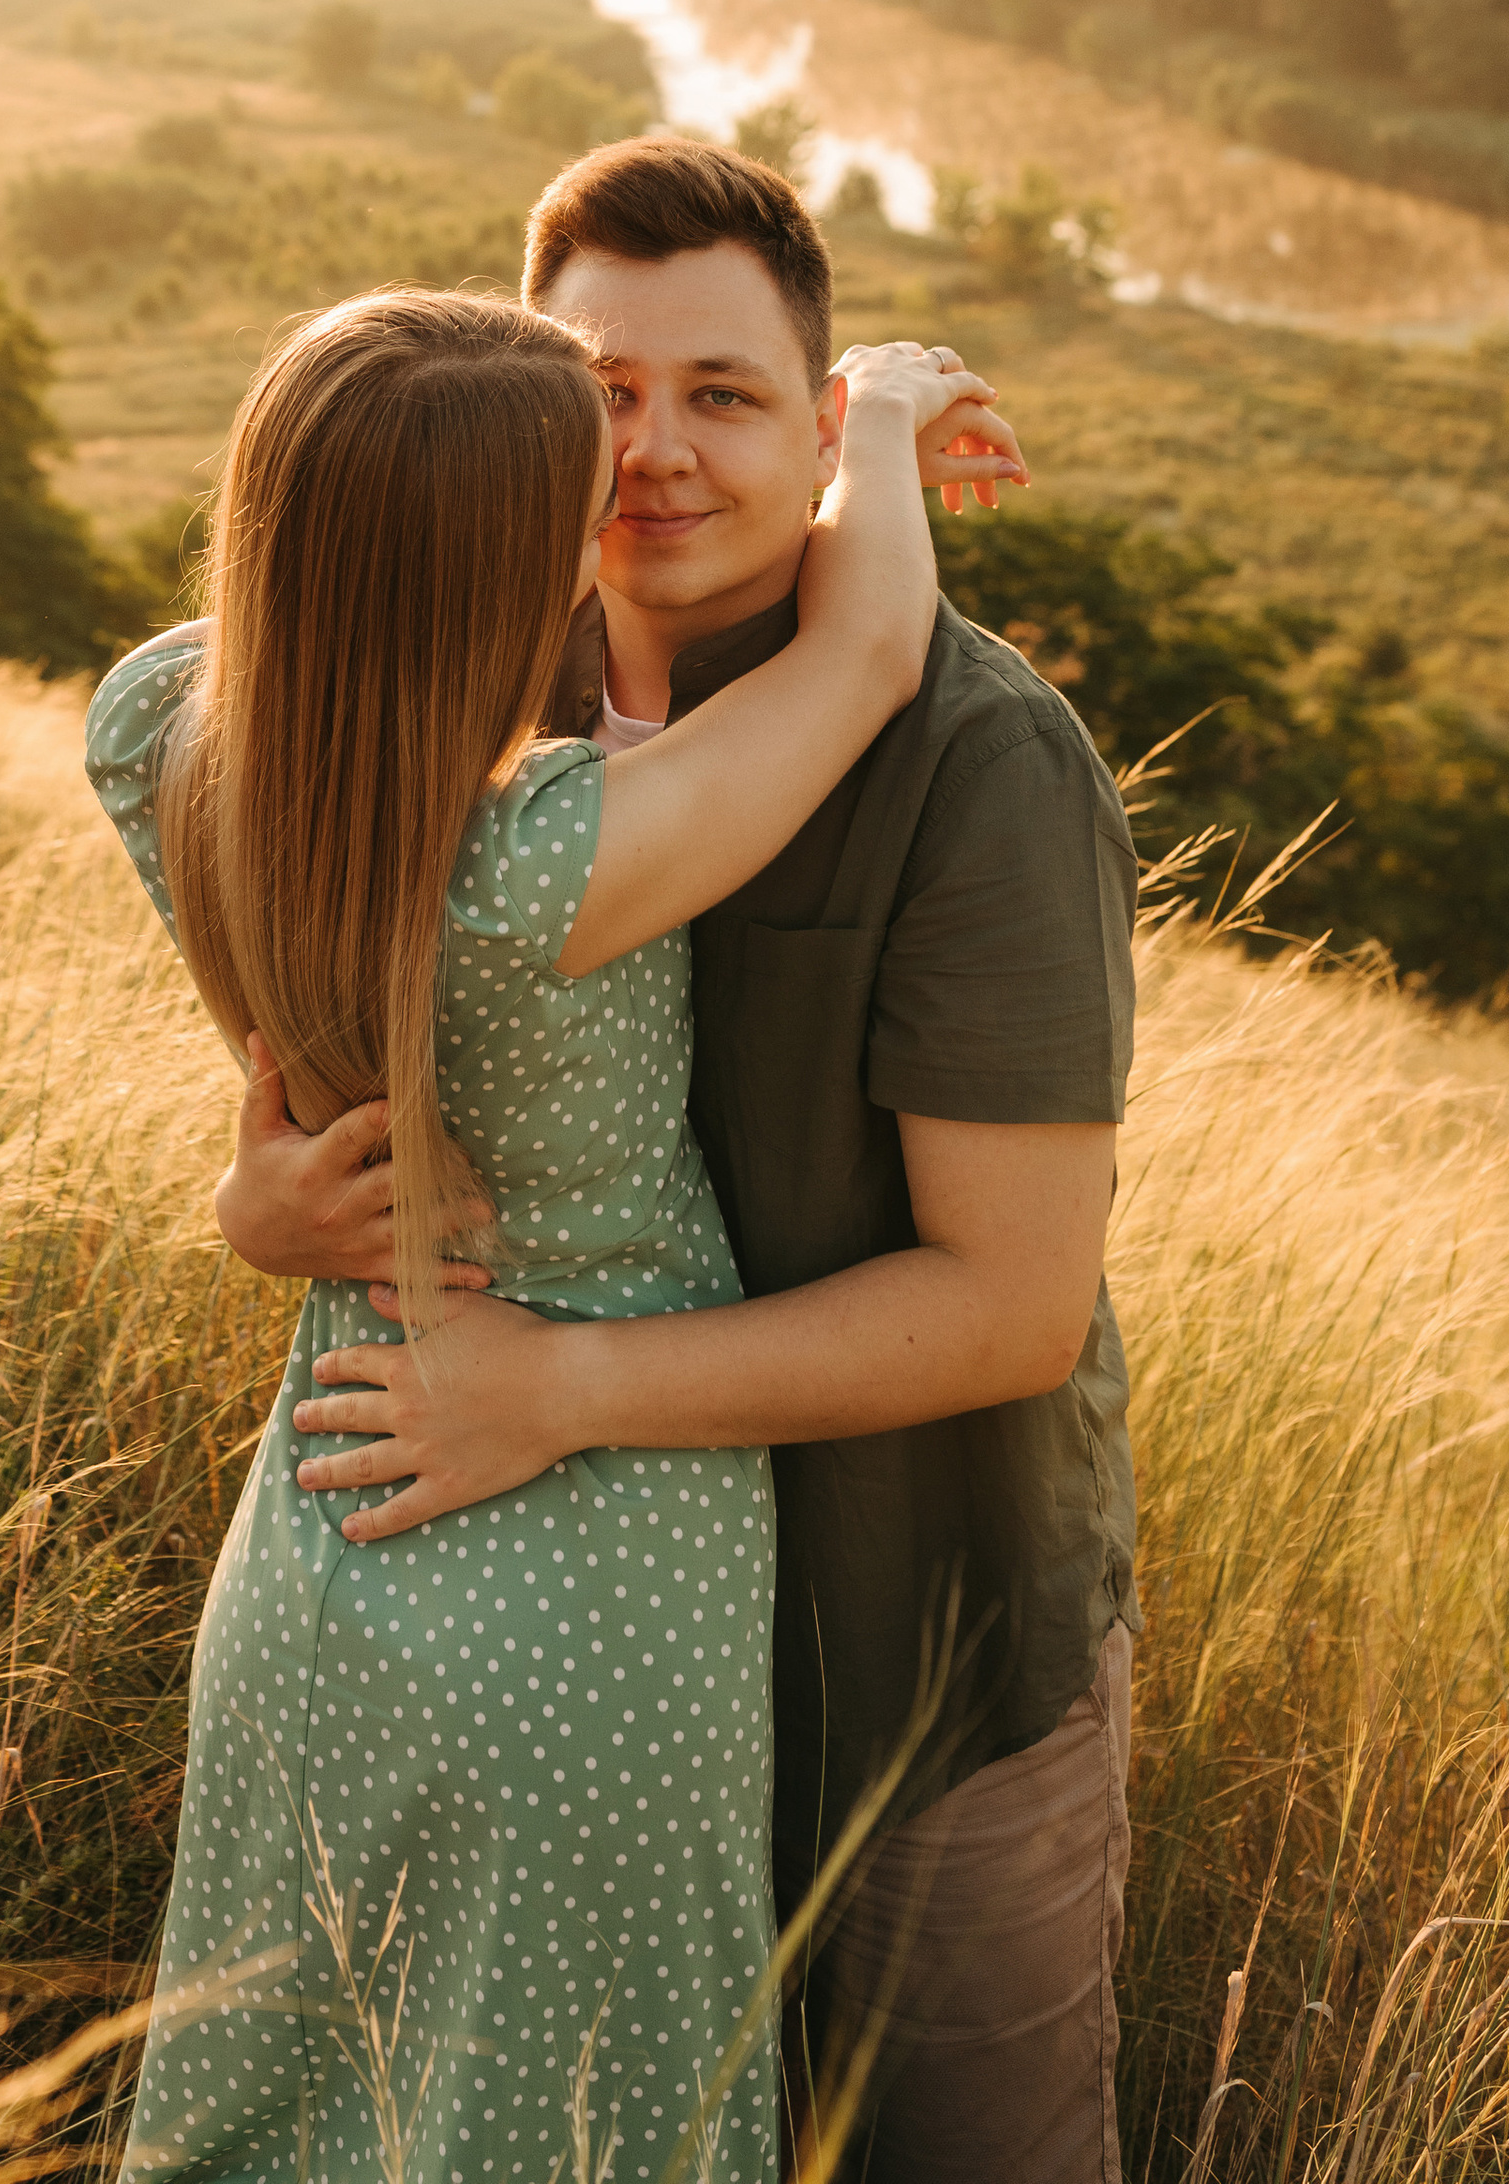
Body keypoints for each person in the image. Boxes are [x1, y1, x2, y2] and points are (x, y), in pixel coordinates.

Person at [232, 144, 1141, 2184]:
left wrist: (553, 1393)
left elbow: (1009, 1307)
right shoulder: (459, 687)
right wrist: (255, 1200)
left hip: (911, 1648)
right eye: (593, 388)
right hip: (552, 1648)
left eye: (718, 394)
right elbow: (318, 1063)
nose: (647, 453)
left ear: (819, 427)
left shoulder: (972, 757)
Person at [83, 282, 1019, 2183]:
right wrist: (882, 423)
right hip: (594, 1577)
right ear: (504, 591)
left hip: (327, 1535)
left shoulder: (172, 748)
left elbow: (294, 613)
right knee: (576, 2121)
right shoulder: (549, 863)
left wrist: (250, 1198)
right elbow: (865, 661)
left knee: (297, 2114)